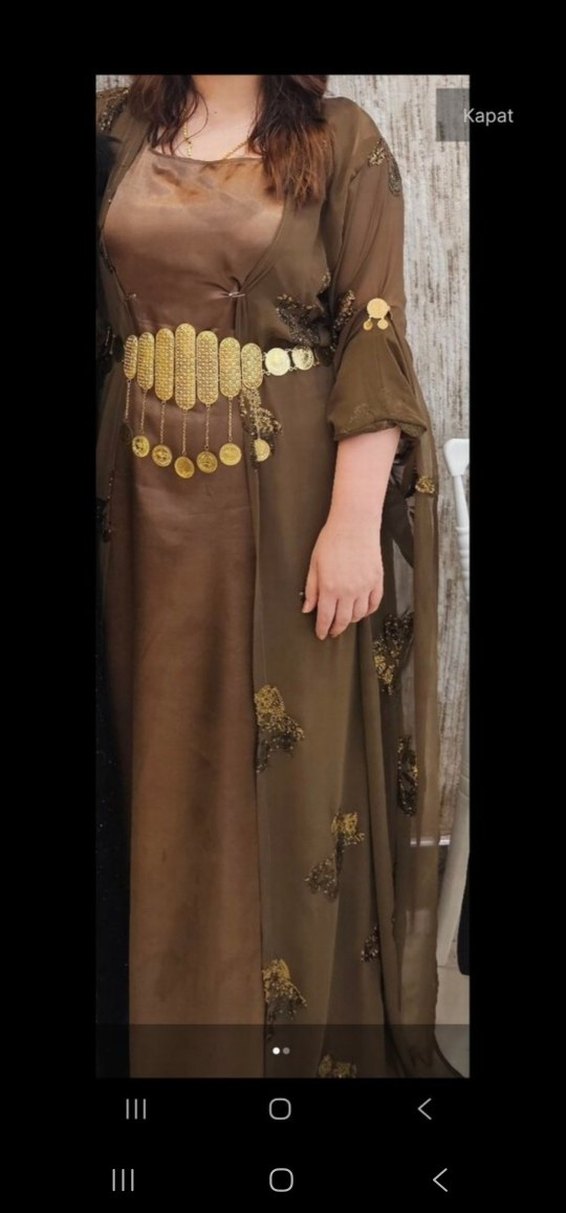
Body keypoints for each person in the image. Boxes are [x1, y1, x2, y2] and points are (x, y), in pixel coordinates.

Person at [96, 73, 460, 1079]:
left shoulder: (340, 138)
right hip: (133, 504)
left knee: (288, 770)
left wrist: (352, 522)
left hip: (292, 499)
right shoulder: (116, 123)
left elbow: (372, 333)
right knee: (148, 764)